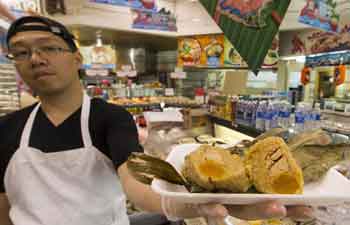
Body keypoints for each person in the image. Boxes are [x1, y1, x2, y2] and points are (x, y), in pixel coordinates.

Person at [0, 16, 313, 225]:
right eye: (21, 52)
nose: (36, 59)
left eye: (49, 48)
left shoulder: (109, 118)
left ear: (77, 58)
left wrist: (186, 203)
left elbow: (137, 184)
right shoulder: (7, 128)